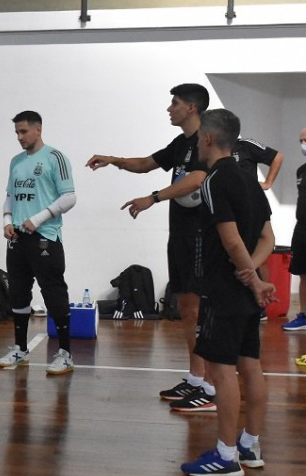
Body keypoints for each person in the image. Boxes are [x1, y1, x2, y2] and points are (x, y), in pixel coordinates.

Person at [86, 83, 217, 412]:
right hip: (180, 233)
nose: (169, 109)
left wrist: (153, 198)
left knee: (199, 311)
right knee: (187, 309)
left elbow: (198, 178)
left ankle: (212, 387)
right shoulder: (181, 142)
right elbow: (147, 162)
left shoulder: (206, 139)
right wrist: (113, 160)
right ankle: (196, 378)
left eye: (174, 103)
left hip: (200, 235)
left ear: (191, 107)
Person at [179, 109, 275, 476]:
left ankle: (226, 456)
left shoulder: (214, 180)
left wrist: (252, 280)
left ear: (207, 138)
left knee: (221, 372)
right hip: (247, 293)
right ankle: (250, 445)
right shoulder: (250, 179)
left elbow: (232, 241)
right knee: (250, 366)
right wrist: (255, 276)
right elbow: (267, 238)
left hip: (223, 291)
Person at [0, 111, 77, 375]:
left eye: (23, 131)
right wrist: (7, 220)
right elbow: (10, 196)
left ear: (38, 129)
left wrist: (38, 219)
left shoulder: (55, 158)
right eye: (16, 133)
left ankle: (65, 353)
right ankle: (20, 349)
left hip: (45, 237)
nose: (19, 137)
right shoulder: (16, 161)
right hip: (18, 238)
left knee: (53, 292)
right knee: (18, 292)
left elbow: (69, 197)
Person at [282, 127, 306, 332]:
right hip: (302, 228)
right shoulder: (301, 171)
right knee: (302, 273)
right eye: (301, 141)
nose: (303, 145)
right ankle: (304, 316)